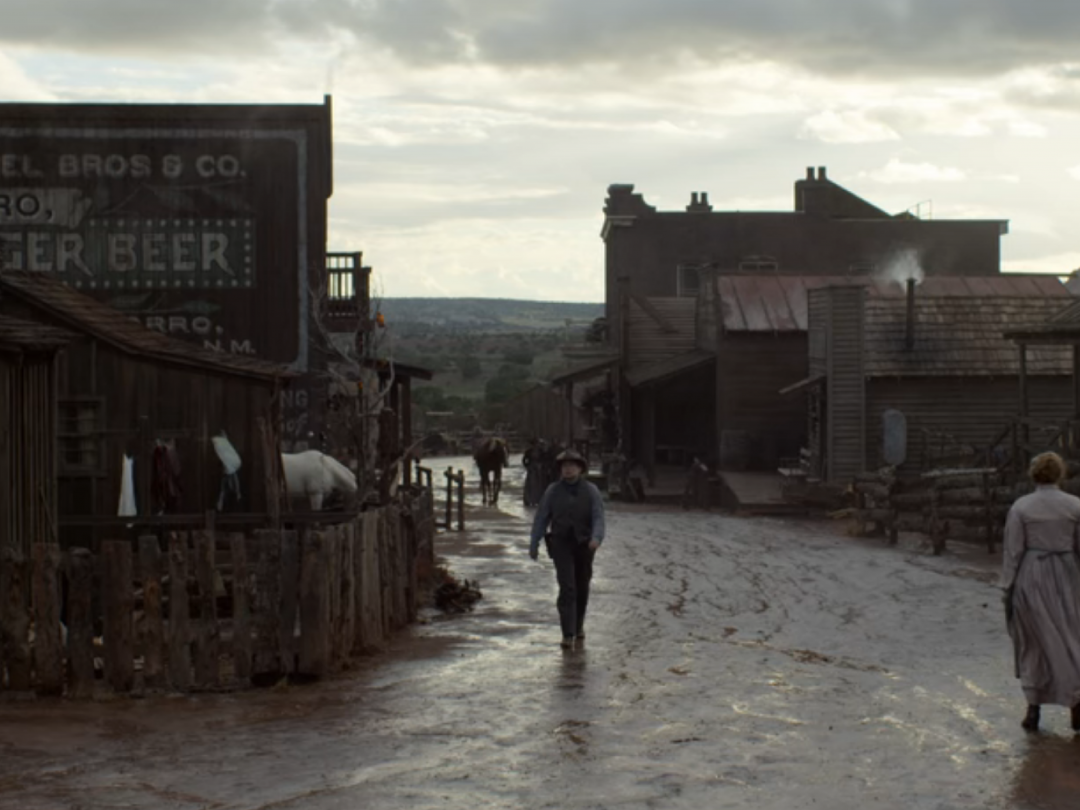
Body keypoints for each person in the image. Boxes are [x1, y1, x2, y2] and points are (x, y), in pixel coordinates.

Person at [1001, 451, 1080, 732]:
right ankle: (1076, 704)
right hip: (1067, 574)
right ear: (1061, 474)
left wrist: (1007, 587)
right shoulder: (1074, 505)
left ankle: (1033, 709)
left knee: (1034, 641)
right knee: (1070, 639)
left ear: (1033, 474)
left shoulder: (1022, 507)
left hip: (1032, 573)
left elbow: (1013, 551)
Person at [529, 449, 606, 648]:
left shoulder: (591, 491)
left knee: (582, 586)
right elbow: (542, 517)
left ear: (580, 468)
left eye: (572, 466)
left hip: (584, 544)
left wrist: (596, 538)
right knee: (567, 587)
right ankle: (567, 633)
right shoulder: (552, 491)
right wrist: (534, 542)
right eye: (564, 466)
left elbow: (598, 517)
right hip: (561, 543)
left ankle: (578, 625)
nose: (568, 469)